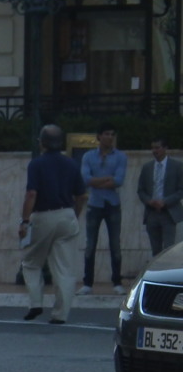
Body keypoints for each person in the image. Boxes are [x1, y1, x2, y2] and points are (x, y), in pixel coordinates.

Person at [18, 124, 87, 324]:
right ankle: (60, 314)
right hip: (67, 215)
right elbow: (81, 195)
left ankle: (35, 303)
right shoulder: (72, 164)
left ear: (42, 143)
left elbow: (32, 194)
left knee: (31, 262)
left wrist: (24, 221)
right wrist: (74, 214)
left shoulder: (36, 164)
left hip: (43, 216)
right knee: (64, 268)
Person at [78, 123, 126, 294]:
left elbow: (119, 180)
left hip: (113, 204)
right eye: (106, 134)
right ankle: (87, 283)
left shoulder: (120, 156)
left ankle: (117, 282)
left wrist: (97, 181)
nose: (110, 137)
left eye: (112, 134)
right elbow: (85, 179)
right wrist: (106, 179)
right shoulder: (88, 156)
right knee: (90, 244)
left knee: (115, 244)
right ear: (99, 136)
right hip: (95, 204)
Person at [136, 136, 183, 258]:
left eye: (157, 148)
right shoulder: (147, 167)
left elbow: (181, 190)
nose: (154, 151)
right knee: (155, 251)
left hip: (169, 212)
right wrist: (150, 201)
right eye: (152, 148)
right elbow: (141, 190)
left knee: (168, 250)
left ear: (165, 148)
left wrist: (165, 202)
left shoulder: (177, 166)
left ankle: (167, 276)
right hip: (152, 213)